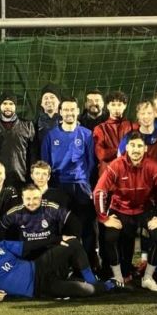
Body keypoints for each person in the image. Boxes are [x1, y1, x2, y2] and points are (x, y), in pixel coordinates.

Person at [95, 132, 157, 291]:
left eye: (139, 146)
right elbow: (99, 191)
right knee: (110, 237)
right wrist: (104, 218)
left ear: (145, 148)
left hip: (144, 208)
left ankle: (148, 278)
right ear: (127, 148)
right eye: (132, 145)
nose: (136, 149)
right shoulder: (116, 165)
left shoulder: (153, 166)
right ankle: (118, 277)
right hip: (120, 208)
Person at [0, 227, 117, 300]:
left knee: (72, 242)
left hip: (39, 267)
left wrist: (57, 239)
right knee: (86, 290)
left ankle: (92, 279)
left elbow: (29, 245)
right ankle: (108, 286)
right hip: (38, 288)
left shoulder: (1, 245)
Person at [37, 97, 98, 258]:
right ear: (60, 112)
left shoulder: (87, 134)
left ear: (77, 111)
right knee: (60, 226)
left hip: (80, 186)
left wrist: (85, 182)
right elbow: (45, 163)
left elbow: (91, 162)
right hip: (58, 185)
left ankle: (90, 261)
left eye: (72, 109)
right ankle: (63, 262)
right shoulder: (51, 135)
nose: (69, 113)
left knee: (86, 225)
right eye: (66, 110)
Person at [0, 183, 76, 261]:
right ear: (22, 198)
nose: (31, 202)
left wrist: (72, 237)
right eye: (28, 199)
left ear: (41, 198)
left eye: (35, 198)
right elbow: (1, 228)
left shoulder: (50, 208)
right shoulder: (15, 213)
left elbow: (71, 219)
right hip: (28, 252)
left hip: (49, 249)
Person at [0, 94, 34, 185]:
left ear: (15, 106)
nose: (8, 107)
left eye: (11, 104)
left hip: (21, 176)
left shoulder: (27, 125)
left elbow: (32, 154)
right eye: (5, 103)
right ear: (0, 106)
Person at [92, 91, 136, 167]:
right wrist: (121, 150)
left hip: (128, 169)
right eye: (113, 105)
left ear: (125, 106)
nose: (116, 108)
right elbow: (101, 154)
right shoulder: (100, 129)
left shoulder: (133, 126)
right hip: (108, 171)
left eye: (119, 105)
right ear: (107, 106)